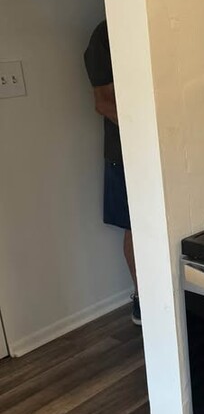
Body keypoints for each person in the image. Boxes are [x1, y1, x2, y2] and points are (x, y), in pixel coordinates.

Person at [84, 20, 141, 325]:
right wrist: (146, 135)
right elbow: (104, 103)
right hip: (125, 153)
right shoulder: (104, 36)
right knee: (135, 226)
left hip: (168, 148)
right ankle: (142, 298)